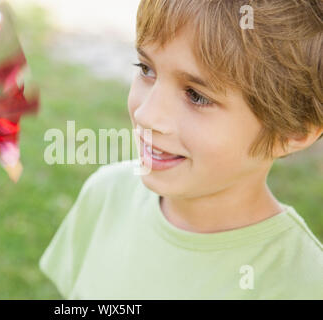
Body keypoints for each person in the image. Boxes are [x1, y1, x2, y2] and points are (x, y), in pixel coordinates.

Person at [39, 0, 323, 299]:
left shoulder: (303, 284)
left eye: (197, 96)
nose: (146, 115)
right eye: (146, 69)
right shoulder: (107, 195)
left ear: (293, 131)